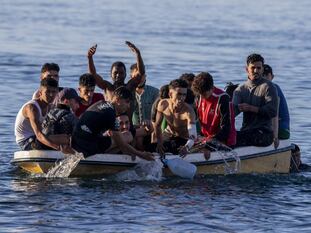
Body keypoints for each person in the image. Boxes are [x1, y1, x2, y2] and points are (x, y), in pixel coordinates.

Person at [71, 86, 154, 160]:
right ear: (117, 100)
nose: (128, 106)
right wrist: (141, 155)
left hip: (76, 140)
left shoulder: (101, 103)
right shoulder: (110, 114)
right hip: (85, 146)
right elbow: (122, 144)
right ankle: (107, 159)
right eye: (127, 102)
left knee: (121, 136)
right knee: (127, 136)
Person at [232, 54, 278, 147]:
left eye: (259, 68)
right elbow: (232, 113)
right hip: (246, 131)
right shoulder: (240, 90)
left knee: (239, 137)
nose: (256, 70)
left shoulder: (269, 86)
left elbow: (272, 111)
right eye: (253, 68)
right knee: (228, 136)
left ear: (262, 69)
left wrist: (251, 108)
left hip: (265, 133)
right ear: (247, 69)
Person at [15, 78, 70, 151]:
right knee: (66, 139)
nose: (51, 95)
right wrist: (58, 148)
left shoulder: (49, 106)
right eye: (48, 92)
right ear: (40, 93)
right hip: (26, 142)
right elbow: (39, 135)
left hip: (37, 138)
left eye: (53, 92)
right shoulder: (31, 108)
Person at [154, 79, 197, 156]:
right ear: (170, 94)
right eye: (179, 94)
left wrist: (187, 147)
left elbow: (193, 136)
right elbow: (157, 125)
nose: (182, 98)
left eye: (184, 95)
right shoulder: (163, 104)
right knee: (152, 147)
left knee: (171, 149)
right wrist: (159, 142)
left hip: (185, 139)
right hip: (168, 134)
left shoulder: (188, 112)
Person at [192, 72, 236, 147]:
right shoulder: (199, 96)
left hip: (225, 140)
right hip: (206, 137)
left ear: (212, 88)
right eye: (200, 94)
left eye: (204, 95)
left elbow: (226, 129)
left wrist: (209, 140)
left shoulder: (223, 98)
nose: (202, 97)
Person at [263, 64, 290, 140]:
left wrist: (275, 137)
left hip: (282, 131)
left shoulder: (274, 88)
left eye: (266, 75)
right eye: (262, 75)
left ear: (272, 77)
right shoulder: (263, 89)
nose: (264, 78)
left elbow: (275, 113)